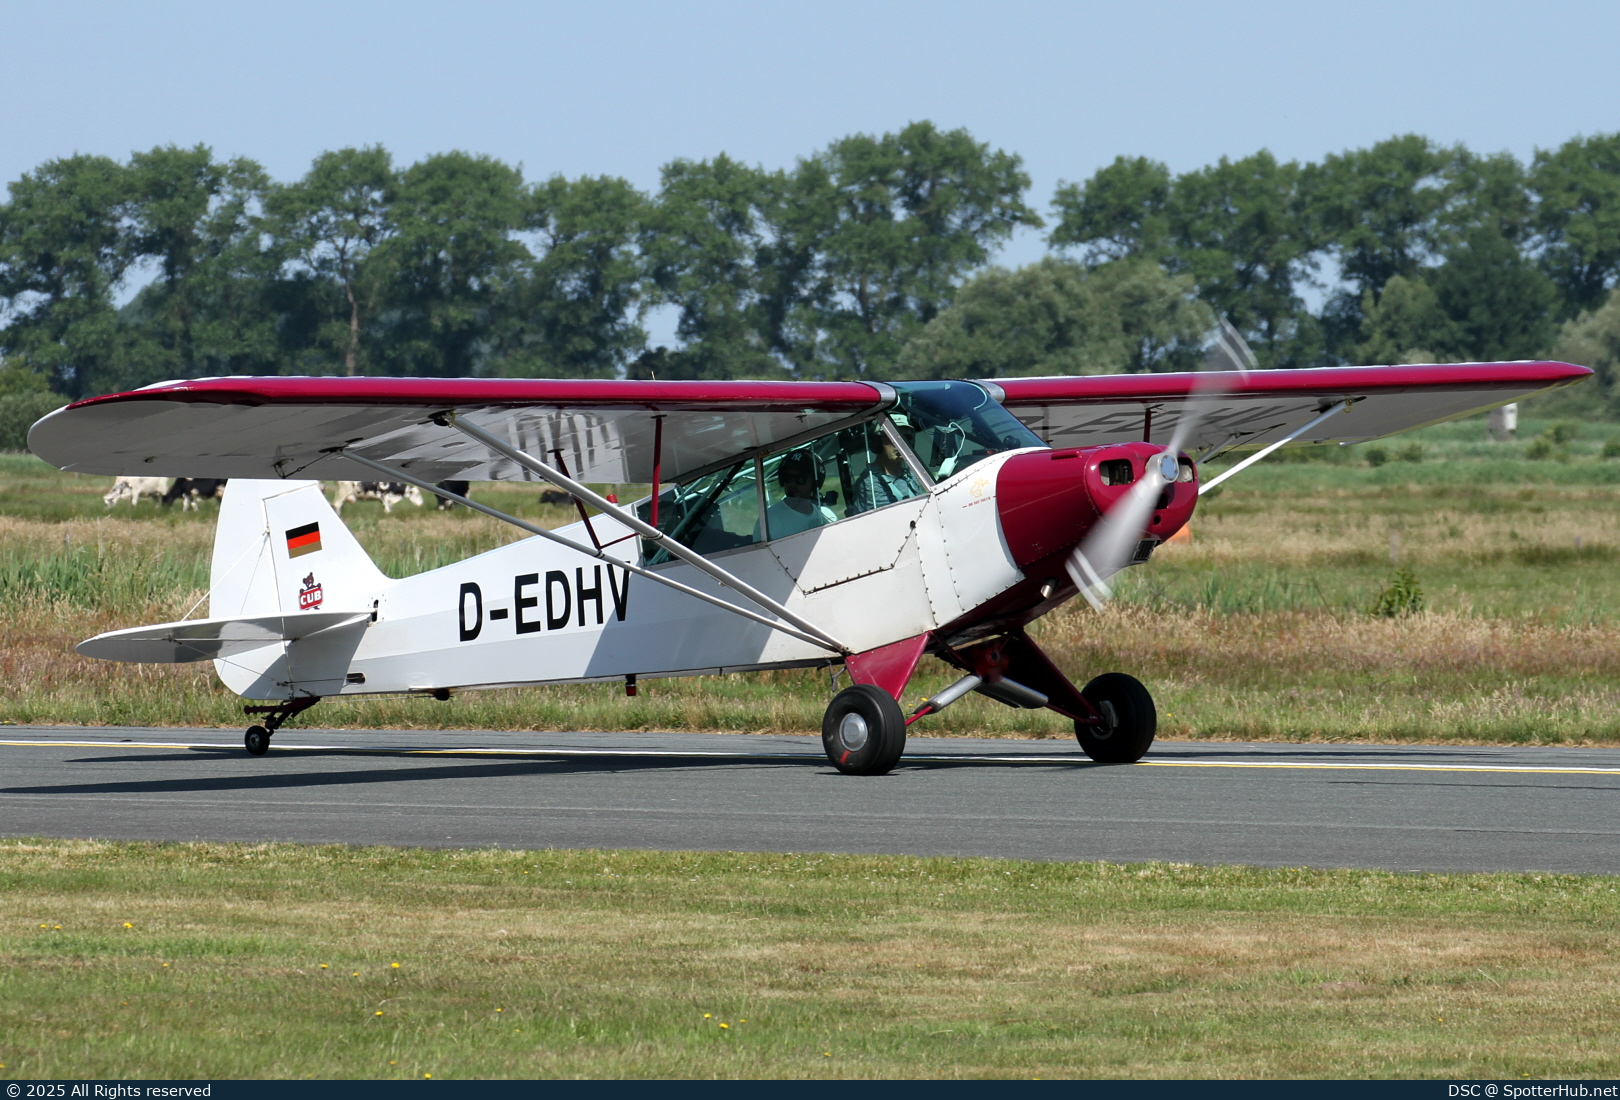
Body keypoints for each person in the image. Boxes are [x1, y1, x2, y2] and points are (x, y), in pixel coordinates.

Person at [762, 450, 836, 539]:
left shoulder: (827, 516)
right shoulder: (768, 522)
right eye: (788, 477)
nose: (792, 484)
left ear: (814, 483)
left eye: (800, 478)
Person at [852, 433, 920, 514]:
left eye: (906, 437)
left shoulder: (910, 473)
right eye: (891, 438)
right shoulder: (870, 482)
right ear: (877, 443)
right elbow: (892, 517)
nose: (899, 443)